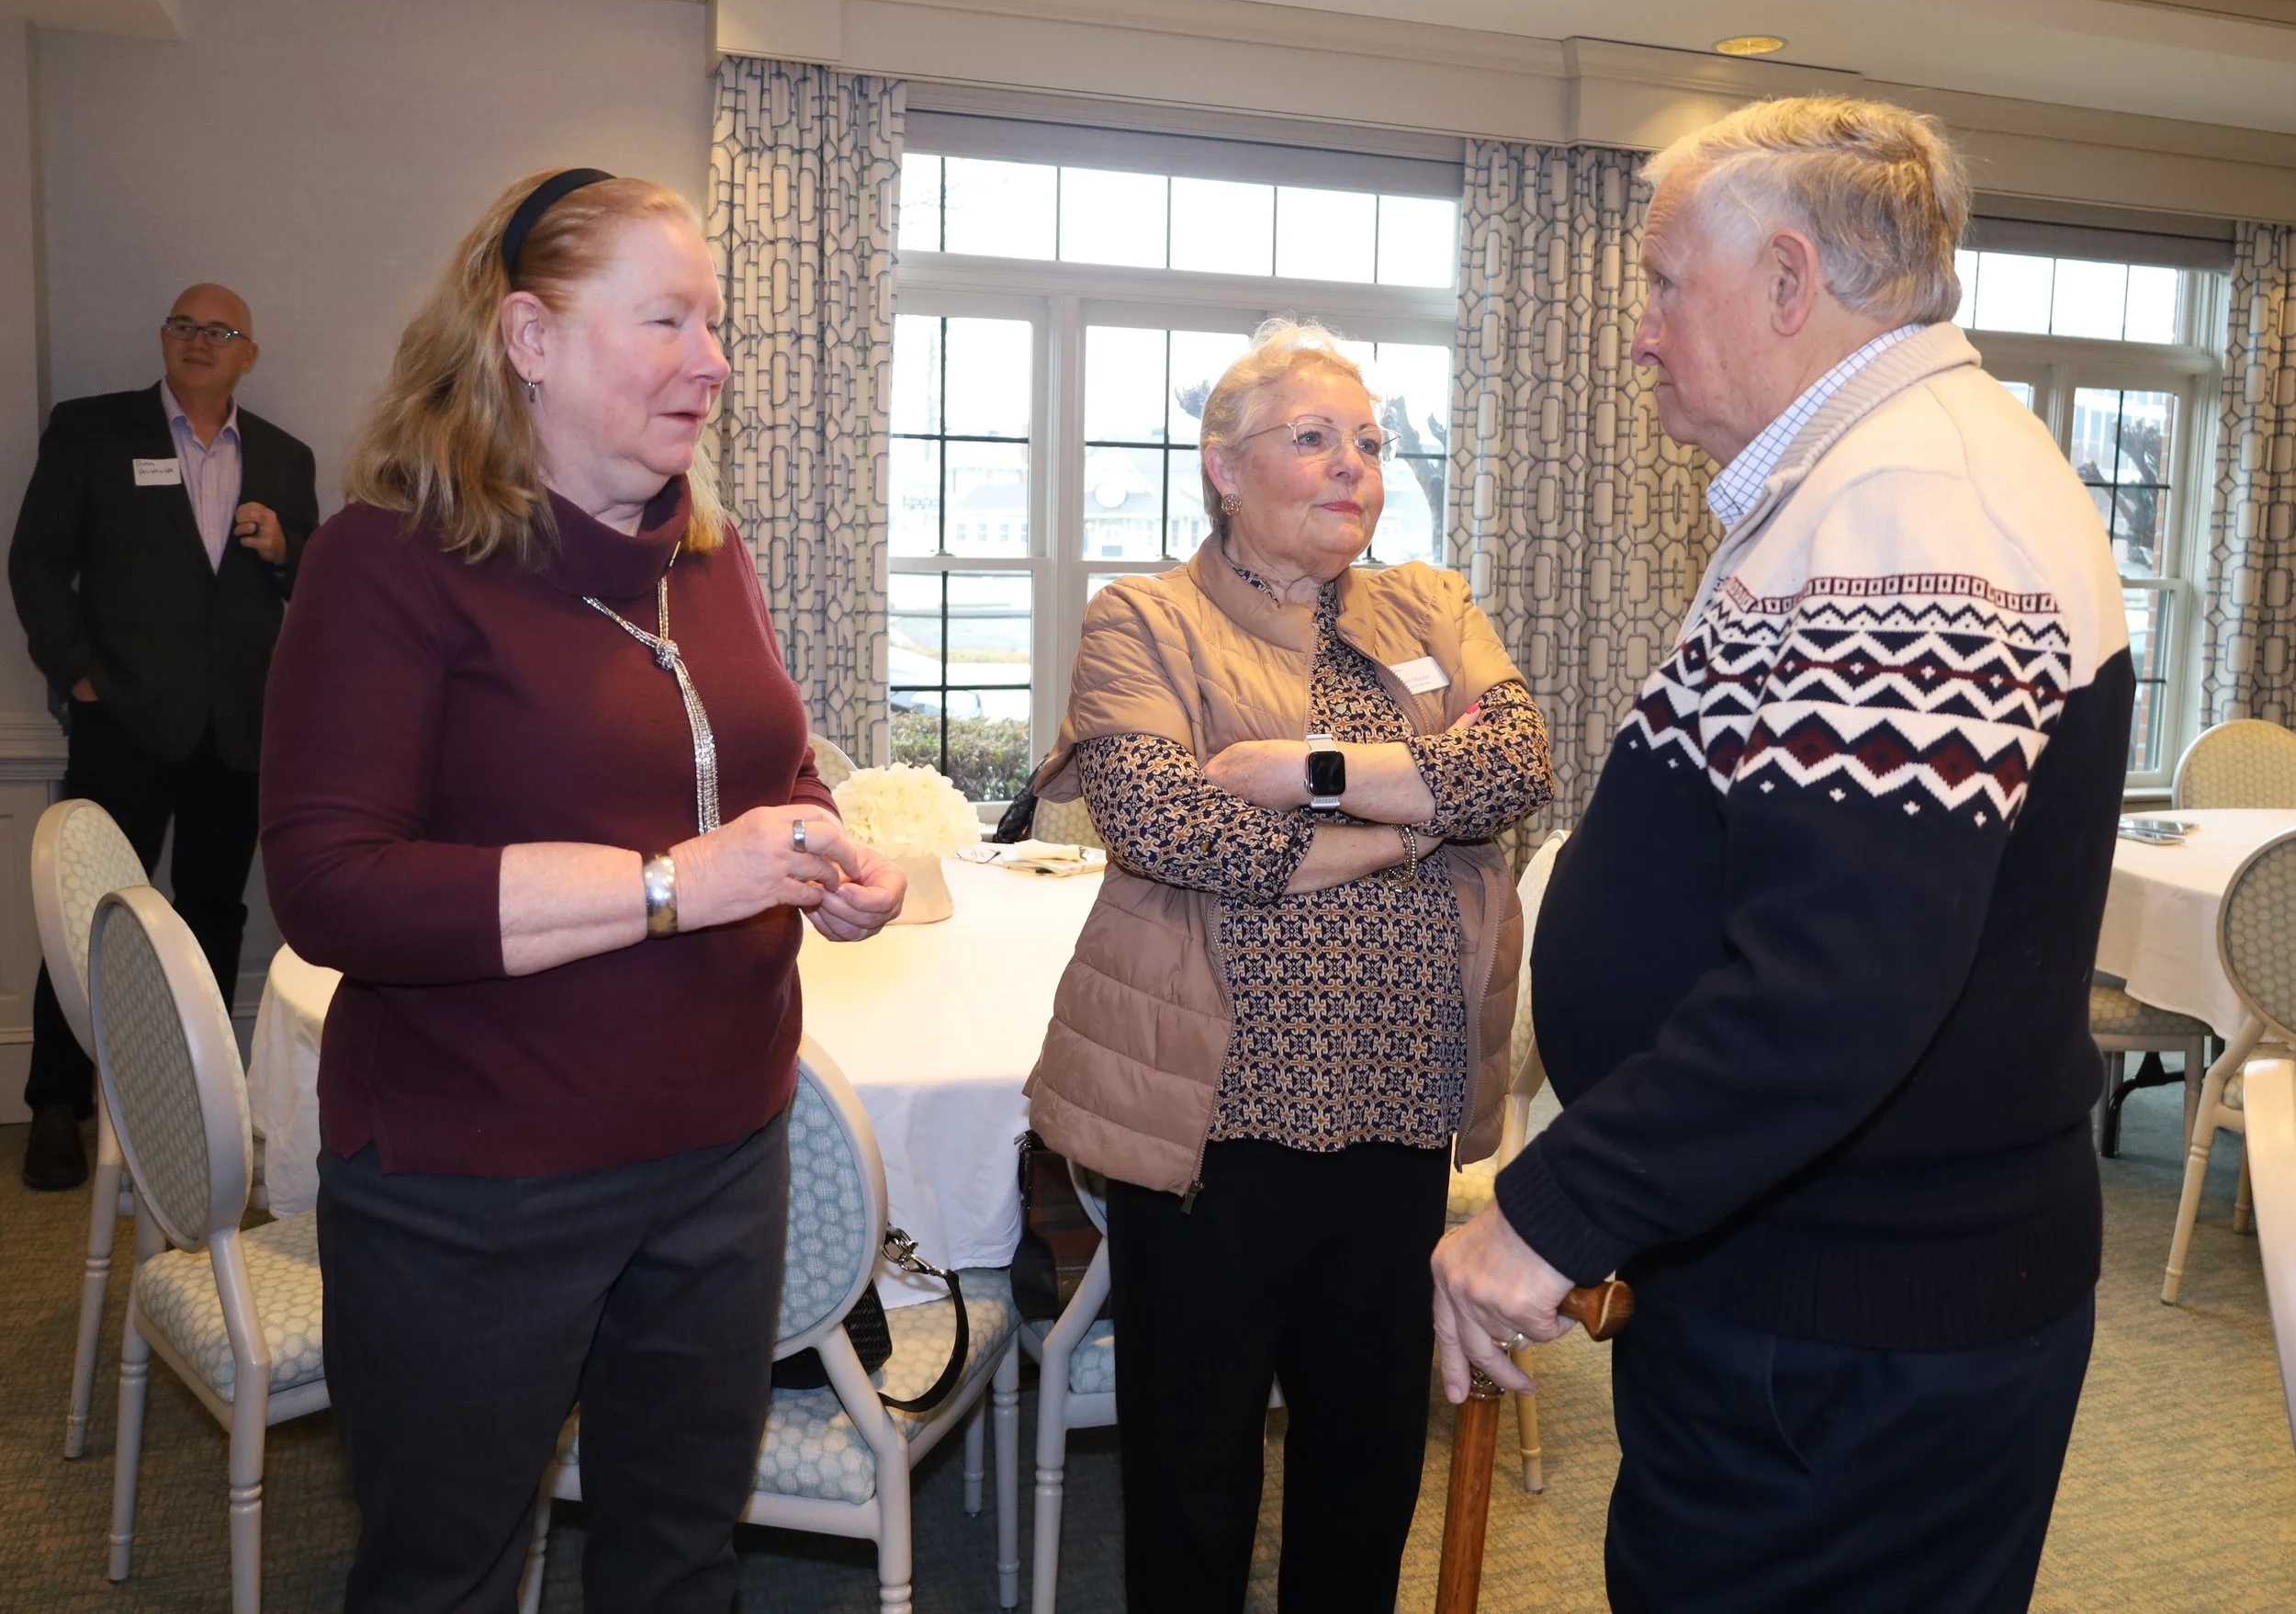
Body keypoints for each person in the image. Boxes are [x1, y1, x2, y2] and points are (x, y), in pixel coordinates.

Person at [1431, 98, 2133, 1613]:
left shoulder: (1911, 501)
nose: (1639, 332)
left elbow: (1840, 979)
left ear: (1788, 283)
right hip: (1822, 1289)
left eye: (1664, 282)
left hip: (1854, 1321)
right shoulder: (1871, 482)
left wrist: (1555, 1207)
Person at [260, 168, 906, 1611]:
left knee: (680, 1560)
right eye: (666, 319)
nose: (713, 360)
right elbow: (333, 889)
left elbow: (774, 768)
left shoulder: (704, 551)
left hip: (723, 1153)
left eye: (715, 322)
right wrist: (679, 885)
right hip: (477, 1181)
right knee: (450, 1572)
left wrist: (814, 851)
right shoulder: (388, 560)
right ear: (529, 340)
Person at [1024, 321, 1553, 1613]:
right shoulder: (1143, 620)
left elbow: (1518, 767)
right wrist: (1408, 826)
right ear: (1222, 463)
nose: (1351, 466)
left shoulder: (1428, 604)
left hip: (1399, 1113)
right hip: (1213, 1126)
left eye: (1367, 441)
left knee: (1366, 1472)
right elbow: (1168, 826)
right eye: (1311, 438)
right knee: (1194, 1483)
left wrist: (1308, 776)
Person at [8, 283, 316, 1190]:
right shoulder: (93, 432)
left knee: (211, 915)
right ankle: (56, 1103)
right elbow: (35, 559)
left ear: (247, 353)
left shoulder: (286, 459)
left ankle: (191, 1092)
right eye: (184, 325)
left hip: (236, 733)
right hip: (126, 723)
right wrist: (73, 672)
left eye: (219, 331)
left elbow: (318, 570)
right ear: (164, 338)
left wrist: (282, 548)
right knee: (92, 915)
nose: (198, 340)